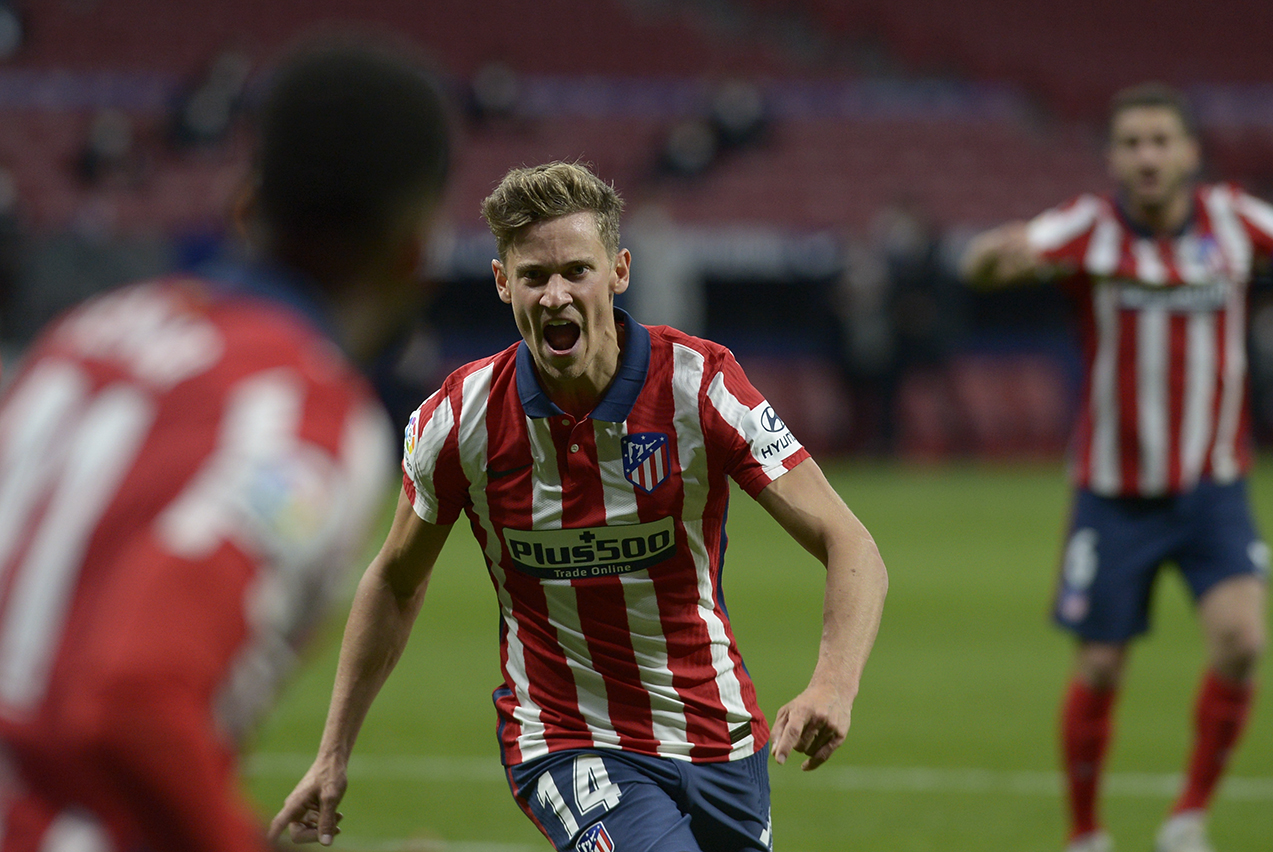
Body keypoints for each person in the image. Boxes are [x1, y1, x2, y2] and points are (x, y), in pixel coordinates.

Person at [270, 161, 889, 852]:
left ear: (619, 271)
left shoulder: (701, 386)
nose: (556, 295)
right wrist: (333, 752)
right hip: (565, 738)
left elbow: (850, 541)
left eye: (577, 271)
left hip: (718, 734)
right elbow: (394, 578)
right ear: (504, 284)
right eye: (534, 277)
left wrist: (834, 686)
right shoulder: (459, 420)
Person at [0, 36, 451, 852]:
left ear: (245, 205)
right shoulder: (299, 420)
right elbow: (134, 700)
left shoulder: (84, 338)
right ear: (417, 251)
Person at [961, 83, 1273, 852]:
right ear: (1113, 157)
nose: (1147, 156)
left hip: (1214, 487)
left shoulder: (1238, 221)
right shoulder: (1089, 226)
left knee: (1241, 640)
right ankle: (1086, 833)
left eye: (1161, 141)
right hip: (1115, 494)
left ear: (1190, 154)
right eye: (1132, 142)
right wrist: (992, 259)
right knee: (1100, 666)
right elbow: (981, 267)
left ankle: (1189, 815)